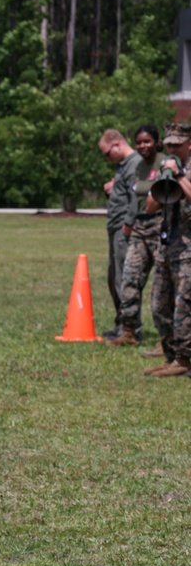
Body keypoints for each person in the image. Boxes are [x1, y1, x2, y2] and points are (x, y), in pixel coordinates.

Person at [143, 122, 191, 378]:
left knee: (184, 305)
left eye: (177, 145)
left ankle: (184, 359)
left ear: (188, 145)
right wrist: (163, 179)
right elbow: (150, 208)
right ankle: (170, 356)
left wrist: (180, 176)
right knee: (159, 305)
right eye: (169, 144)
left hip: (188, 251)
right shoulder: (165, 168)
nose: (172, 148)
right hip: (167, 246)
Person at [112, 126, 164, 351]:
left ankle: (168, 339)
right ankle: (129, 331)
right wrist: (129, 223)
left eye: (147, 141)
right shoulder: (138, 167)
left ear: (156, 142)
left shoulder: (165, 163)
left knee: (163, 286)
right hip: (140, 228)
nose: (143, 146)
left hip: (161, 225)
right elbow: (134, 197)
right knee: (129, 279)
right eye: (139, 142)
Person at [98, 129, 140, 340]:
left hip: (124, 229)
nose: (107, 159)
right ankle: (120, 324)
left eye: (107, 154)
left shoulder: (133, 164)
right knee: (113, 277)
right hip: (115, 227)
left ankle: (130, 327)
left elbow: (136, 197)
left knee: (123, 278)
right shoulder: (123, 166)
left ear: (116, 145)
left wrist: (128, 224)